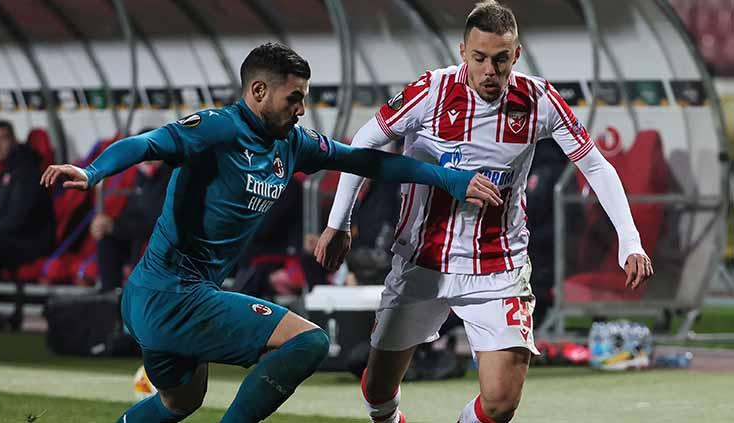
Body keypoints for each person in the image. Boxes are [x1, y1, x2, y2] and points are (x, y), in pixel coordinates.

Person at [41, 42, 495, 423]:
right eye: (294, 97)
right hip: (171, 293)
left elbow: (367, 160)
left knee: (180, 402)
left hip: (162, 296)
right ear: (258, 90)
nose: (302, 109)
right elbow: (146, 143)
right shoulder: (219, 128)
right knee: (310, 340)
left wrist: (447, 178)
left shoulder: (290, 143)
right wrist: (92, 170)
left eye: (305, 98)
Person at [314, 2, 654, 422]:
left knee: (500, 403)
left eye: (500, 59)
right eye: (479, 58)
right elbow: (363, 144)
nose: (489, 70)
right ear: (463, 52)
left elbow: (596, 165)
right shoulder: (432, 91)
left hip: (498, 266)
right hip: (423, 261)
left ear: (517, 54)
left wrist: (630, 240)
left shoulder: (539, 100)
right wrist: (339, 223)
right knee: (378, 390)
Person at [0, 120, 54, 312]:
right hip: (4, 239)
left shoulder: (26, 171)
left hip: (29, 241)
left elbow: (17, 219)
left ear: (14, 141)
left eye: (2, 139)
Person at [91, 159, 172, 292]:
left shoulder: (171, 177)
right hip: (139, 237)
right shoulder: (143, 177)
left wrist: (114, 226)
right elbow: (132, 213)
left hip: (163, 242)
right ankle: (109, 296)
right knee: (106, 238)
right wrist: (106, 225)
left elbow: (157, 222)